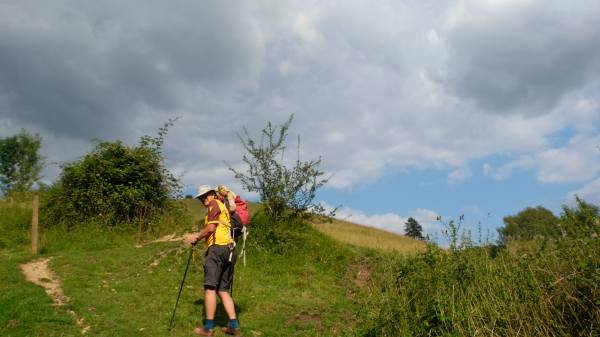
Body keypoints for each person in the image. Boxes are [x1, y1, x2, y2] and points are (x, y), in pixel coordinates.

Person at [184, 185, 241, 336]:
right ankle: (234, 326)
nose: (203, 200)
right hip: (230, 250)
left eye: (204, 196)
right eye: (201, 198)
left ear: (211, 194)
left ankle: (208, 329)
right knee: (222, 290)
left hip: (217, 250)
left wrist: (196, 237)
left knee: (210, 288)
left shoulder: (214, 204)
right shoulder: (224, 206)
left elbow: (210, 228)